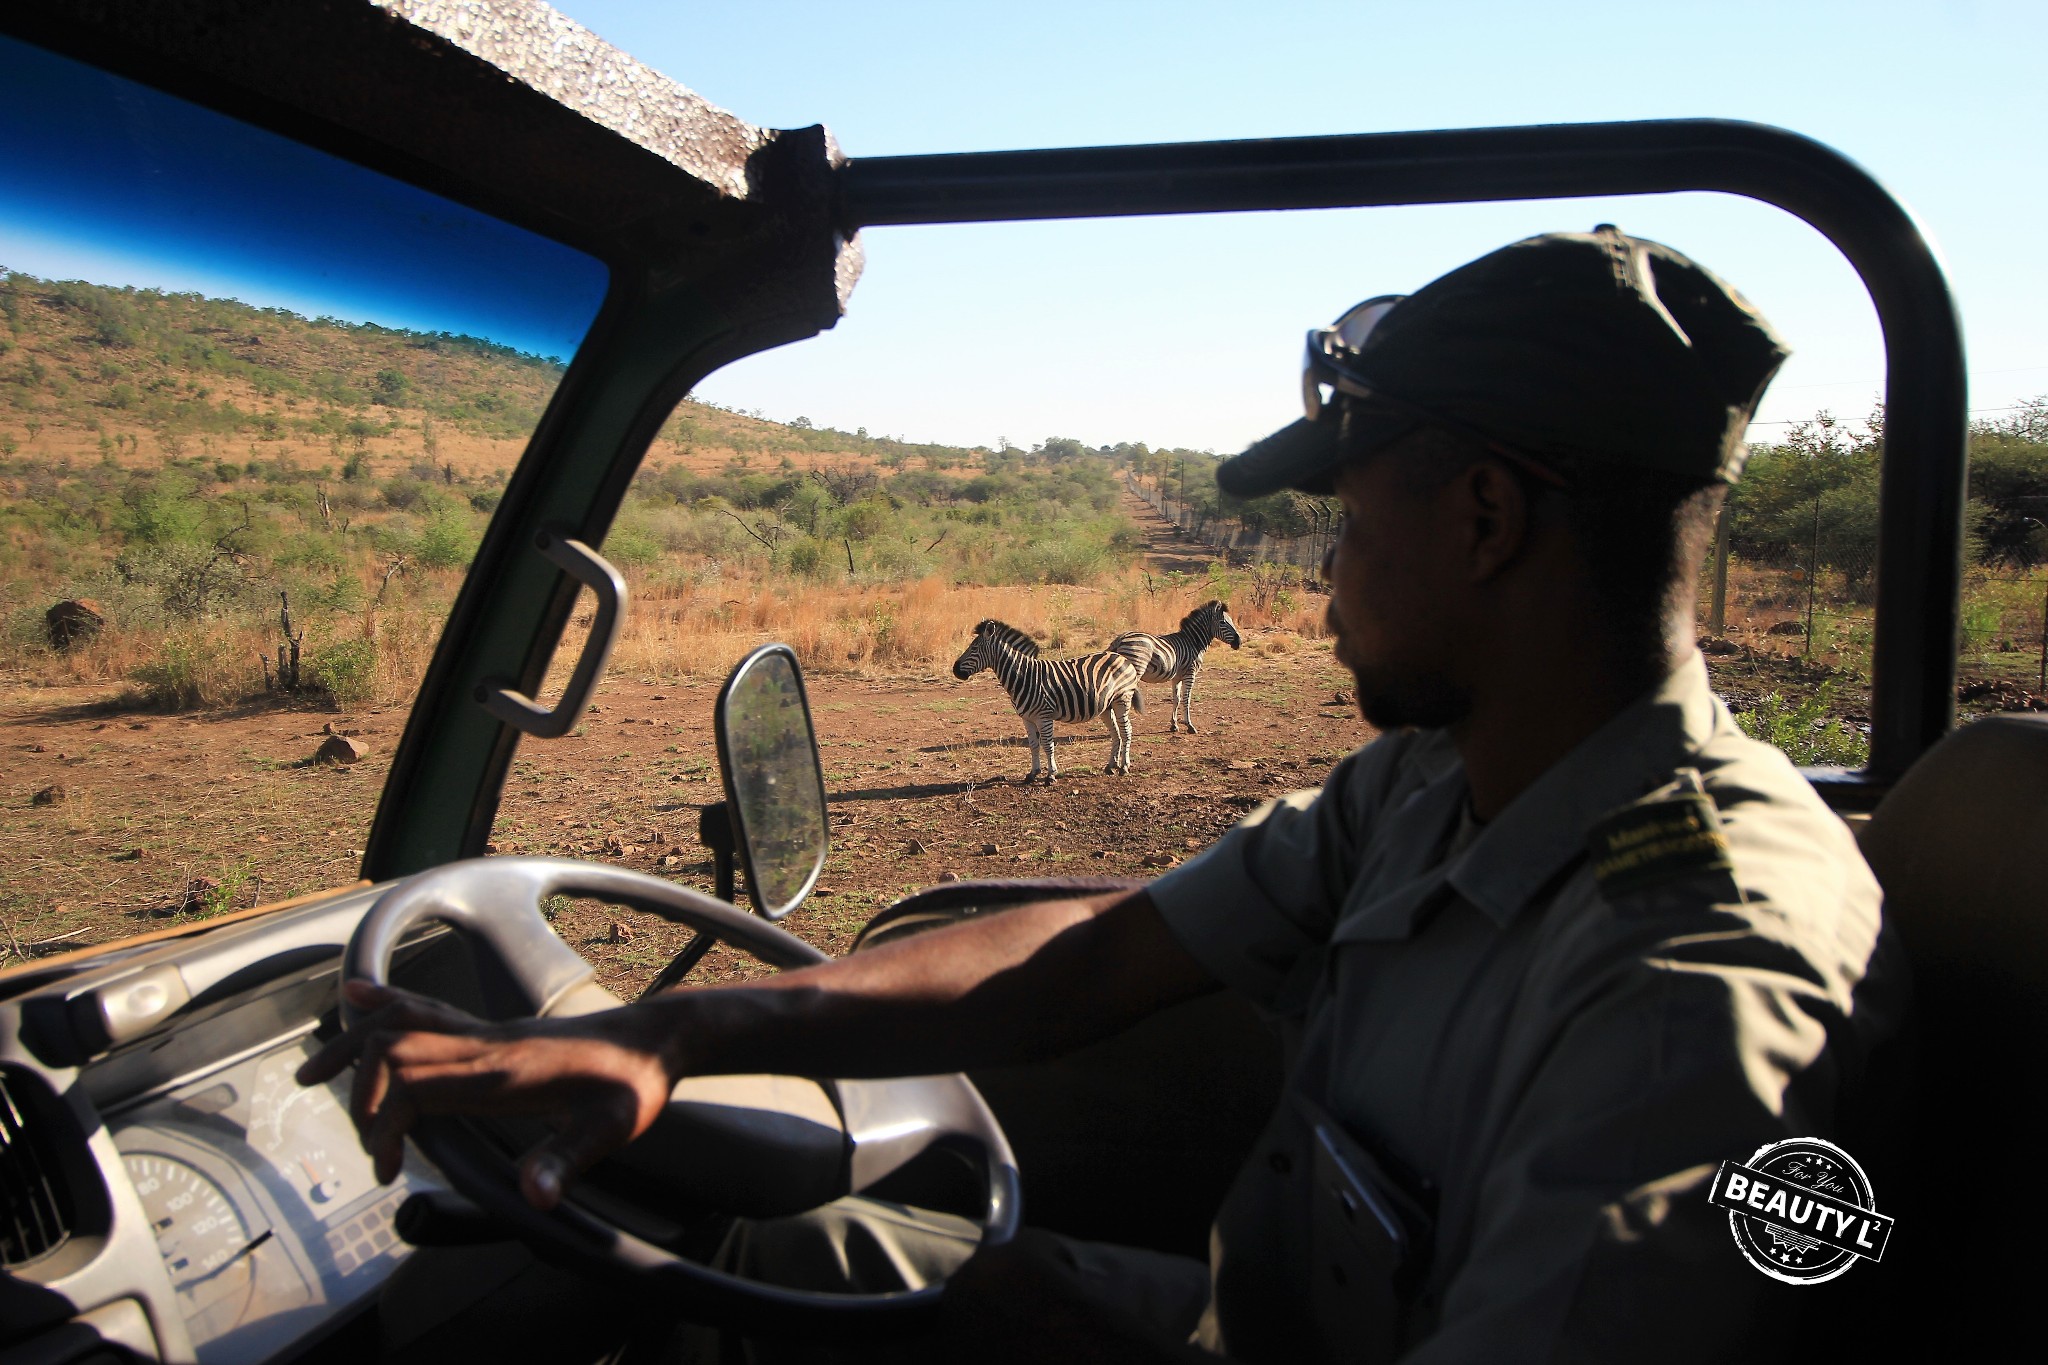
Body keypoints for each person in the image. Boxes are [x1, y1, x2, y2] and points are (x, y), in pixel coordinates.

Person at [303, 226, 1900, 1362]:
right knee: (807, 1252)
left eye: (1346, 519)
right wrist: (673, 1031)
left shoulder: (1693, 982)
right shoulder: (1434, 781)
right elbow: (1097, 949)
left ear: (1485, 515)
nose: (1328, 584)